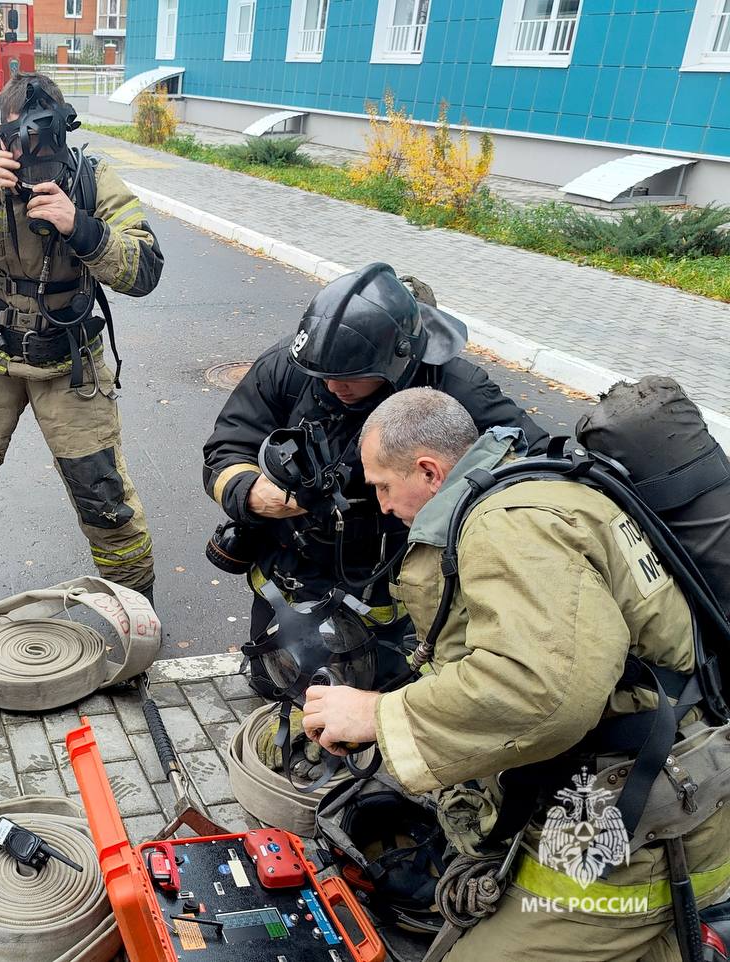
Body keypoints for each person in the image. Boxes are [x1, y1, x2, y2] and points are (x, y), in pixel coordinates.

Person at [303, 387, 730, 961]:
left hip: (633, 841)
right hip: (679, 793)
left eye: (383, 484)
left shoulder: (506, 524)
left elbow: (542, 690)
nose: (380, 504)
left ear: (429, 471)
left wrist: (376, 714)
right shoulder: (537, 484)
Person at [0, 71, 164, 604]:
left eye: (46, 148)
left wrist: (83, 227)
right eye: (22, 146)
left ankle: (134, 610)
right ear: (1, 136)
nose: (33, 162)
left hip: (70, 363)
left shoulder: (91, 179)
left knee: (105, 499)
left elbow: (145, 270)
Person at [202, 262, 546, 650]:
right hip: (291, 570)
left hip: (390, 577)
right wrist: (249, 491)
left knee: (380, 685)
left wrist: (452, 507)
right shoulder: (293, 365)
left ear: (396, 360)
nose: (333, 386)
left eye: (349, 376)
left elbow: (533, 467)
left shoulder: (453, 388)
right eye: (324, 374)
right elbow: (227, 445)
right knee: (277, 680)